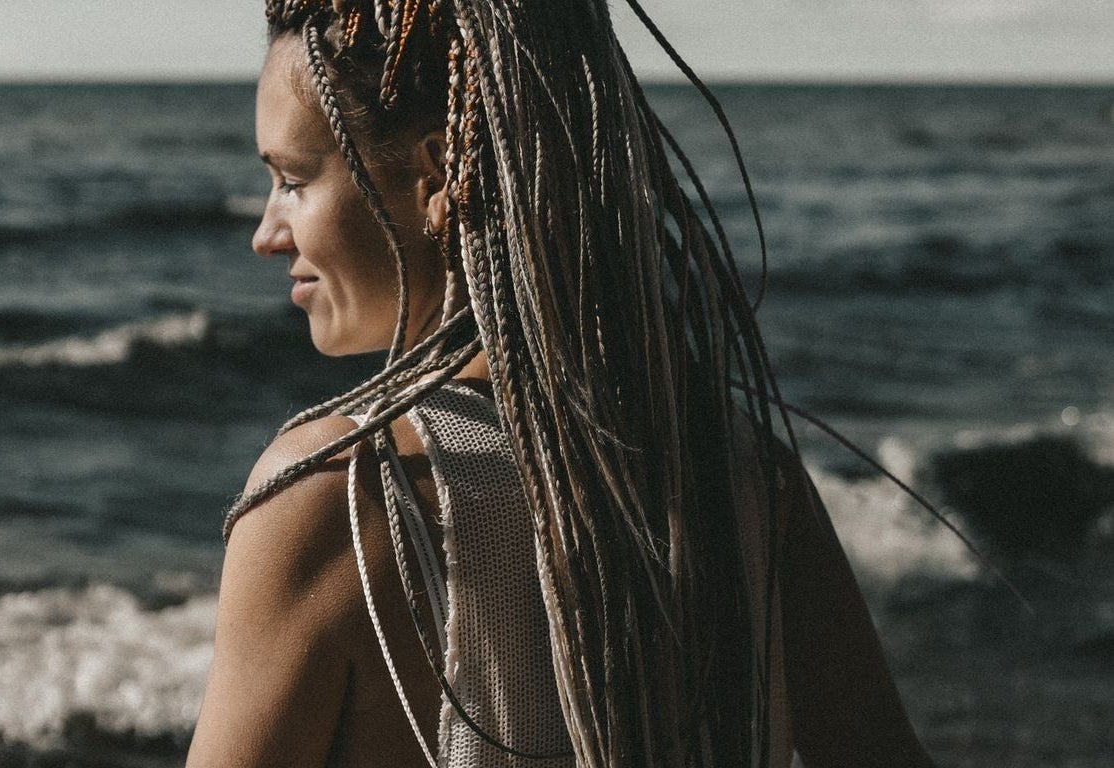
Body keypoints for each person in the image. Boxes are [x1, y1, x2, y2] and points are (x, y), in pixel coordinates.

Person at [186, 1, 935, 765]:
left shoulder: (338, 495)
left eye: (293, 180)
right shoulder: (744, 476)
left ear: (436, 174)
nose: (267, 233)